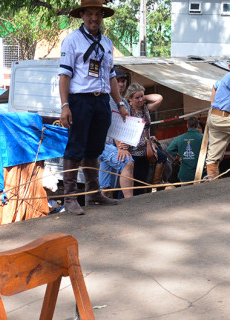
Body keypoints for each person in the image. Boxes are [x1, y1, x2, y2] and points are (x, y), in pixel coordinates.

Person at [58, 0, 127, 215]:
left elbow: (112, 76)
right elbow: (64, 76)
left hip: (101, 101)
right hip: (80, 100)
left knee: (95, 147)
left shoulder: (107, 43)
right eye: (90, 14)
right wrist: (65, 106)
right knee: (75, 147)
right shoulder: (72, 41)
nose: (94, 18)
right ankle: (70, 197)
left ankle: (94, 192)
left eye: (98, 14)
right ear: (82, 15)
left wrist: (121, 103)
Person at [97, 66, 135, 198]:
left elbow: (126, 128)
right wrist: (121, 147)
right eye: (118, 80)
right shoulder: (106, 99)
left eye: (123, 81)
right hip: (103, 144)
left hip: (113, 145)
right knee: (127, 162)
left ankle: (101, 211)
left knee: (107, 187)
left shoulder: (124, 102)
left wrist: (125, 145)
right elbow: (112, 124)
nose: (121, 83)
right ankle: (131, 204)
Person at [125, 82, 166, 195]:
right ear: (130, 99)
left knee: (142, 183)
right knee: (132, 183)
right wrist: (132, 99)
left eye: (142, 96)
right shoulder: (127, 109)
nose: (140, 100)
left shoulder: (145, 108)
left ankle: (156, 183)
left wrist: (142, 97)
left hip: (146, 150)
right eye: (136, 98)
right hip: (133, 151)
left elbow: (159, 98)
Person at [166, 116, 205, 182]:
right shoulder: (203, 138)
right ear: (196, 125)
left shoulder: (179, 138)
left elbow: (169, 149)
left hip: (185, 175)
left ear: (187, 125)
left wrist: (178, 157)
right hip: (200, 174)